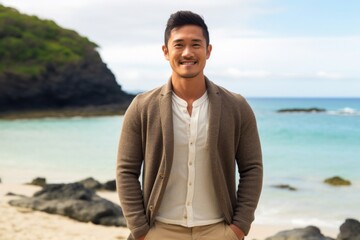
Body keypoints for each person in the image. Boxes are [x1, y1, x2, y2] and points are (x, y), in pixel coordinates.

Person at [116, 10, 263, 240]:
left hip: (218, 230)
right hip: (159, 231)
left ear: (208, 51)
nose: (187, 53)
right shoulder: (142, 106)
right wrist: (140, 230)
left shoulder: (236, 106)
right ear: (166, 51)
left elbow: (252, 168)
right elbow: (126, 171)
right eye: (179, 45)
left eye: (196, 44)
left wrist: (239, 227)